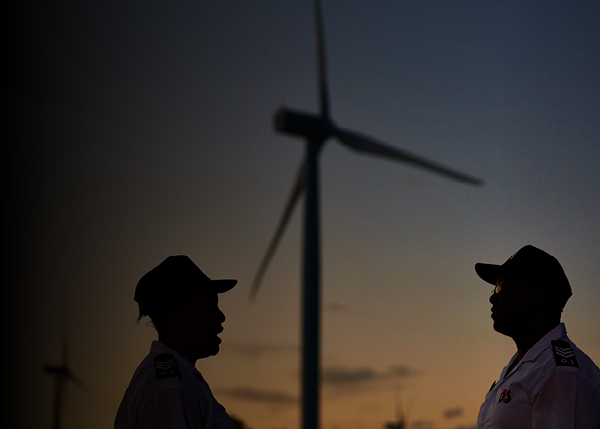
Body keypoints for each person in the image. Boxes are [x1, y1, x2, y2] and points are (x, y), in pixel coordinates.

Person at [474, 245, 600, 428]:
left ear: (538, 295)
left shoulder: (558, 371)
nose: (493, 297)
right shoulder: (526, 364)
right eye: (494, 289)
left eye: (502, 287)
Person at [115, 255, 237, 429]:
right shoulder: (170, 388)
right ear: (177, 316)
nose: (221, 316)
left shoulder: (169, 376)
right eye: (210, 307)